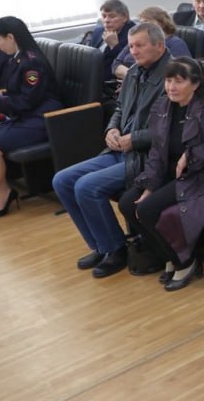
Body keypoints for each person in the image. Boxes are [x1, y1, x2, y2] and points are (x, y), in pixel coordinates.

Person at [52, 22, 172, 276]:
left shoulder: (174, 76)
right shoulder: (135, 73)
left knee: (87, 187)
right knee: (62, 180)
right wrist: (111, 130)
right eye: (130, 46)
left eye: (140, 46)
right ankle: (99, 245)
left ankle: (116, 248)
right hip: (120, 150)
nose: (133, 52)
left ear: (160, 46)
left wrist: (135, 139)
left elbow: (173, 130)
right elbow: (119, 110)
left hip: (146, 156)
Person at [117, 58, 204, 290]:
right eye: (168, 80)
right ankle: (168, 256)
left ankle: (185, 261)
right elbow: (156, 149)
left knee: (147, 209)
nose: (171, 87)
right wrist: (150, 185)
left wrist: (191, 154)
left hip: (196, 175)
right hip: (167, 172)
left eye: (179, 81)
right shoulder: (162, 106)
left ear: (195, 84)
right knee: (127, 203)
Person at [0, 17, 62, 219]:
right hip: (26, 115)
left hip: (42, 119)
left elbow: (28, 101)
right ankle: (4, 192)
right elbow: (14, 92)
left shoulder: (32, 63)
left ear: (10, 37)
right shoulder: (16, 58)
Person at [112, 6, 191, 77]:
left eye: (146, 22)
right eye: (141, 23)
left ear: (162, 22)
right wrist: (132, 80)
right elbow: (115, 65)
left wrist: (139, 80)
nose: (142, 26)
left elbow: (180, 73)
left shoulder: (176, 43)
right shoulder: (135, 41)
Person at [81, 0, 134, 81]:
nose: (106, 20)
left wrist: (114, 46)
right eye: (104, 16)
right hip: (90, 73)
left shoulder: (133, 34)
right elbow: (90, 55)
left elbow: (126, 64)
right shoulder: (99, 30)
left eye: (112, 16)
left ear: (125, 17)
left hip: (108, 80)